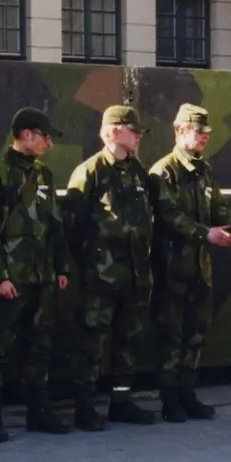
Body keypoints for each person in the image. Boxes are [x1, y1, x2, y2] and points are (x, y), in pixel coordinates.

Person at [0, 107, 75, 442]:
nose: (48, 144)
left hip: (42, 275)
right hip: (12, 278)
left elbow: (54, 223)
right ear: (26, 134)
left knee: (39, 345)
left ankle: (38, 412)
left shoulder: (43, 174)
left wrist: (61, 266)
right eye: (44, 136)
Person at [148, 103, 231, 423]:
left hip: (199, 268)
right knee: (171, 336)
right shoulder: (163, 171)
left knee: (195, 333)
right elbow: (168, 217)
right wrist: (206, 234)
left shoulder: (204, 169)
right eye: (198, 132)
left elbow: (217, 207)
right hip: (171, 268)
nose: (204, 138)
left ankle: (187, 393)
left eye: (207, 133)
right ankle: (170, 399)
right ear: (179, 131)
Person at [62, 105, 159, 430]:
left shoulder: (138, 173)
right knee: (91, 342)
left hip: (134, 275)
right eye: (134, 131)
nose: (139, 137)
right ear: (114, 131)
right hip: (101, 276)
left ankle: (121, 401)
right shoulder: (90, 172)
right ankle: (85, 406)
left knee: (128, 341)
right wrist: (91, 262)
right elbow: (71, 226)